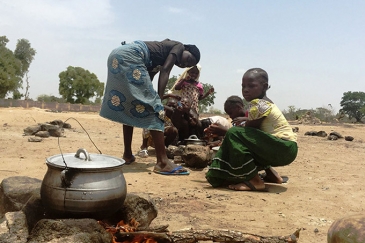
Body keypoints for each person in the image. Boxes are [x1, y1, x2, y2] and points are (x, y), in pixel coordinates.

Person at [100, 39, 200, 175]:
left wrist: (151, 97)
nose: (184, 64)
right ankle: (163, 162)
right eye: (188, 59)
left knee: (131, 104)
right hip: (132, 55)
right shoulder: (179, 46)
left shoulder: (156, 61)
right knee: (156, 109)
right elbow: (165, 71)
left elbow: (148, 81)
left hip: (117, 56)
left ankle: (128, 155)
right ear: (186, 50)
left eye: (187, 65)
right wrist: (157, 100)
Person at [205, 68, 298, 190]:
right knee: (248, 140)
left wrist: (223, 131)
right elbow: (253, 137)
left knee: (234, 134)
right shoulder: (264, 104)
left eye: (251, 86)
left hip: (283, 147)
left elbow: (245, 134)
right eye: (243, 86)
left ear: (264, 87)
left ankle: (255, 181)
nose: (245, 90)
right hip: (285, 148)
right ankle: (273, 175)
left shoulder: (259, 105)